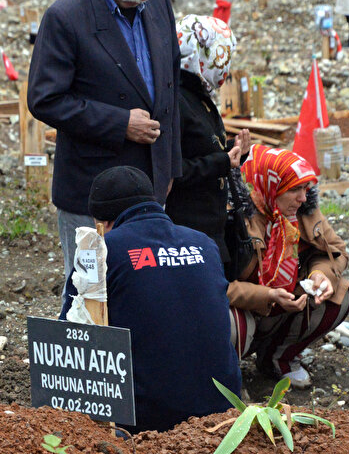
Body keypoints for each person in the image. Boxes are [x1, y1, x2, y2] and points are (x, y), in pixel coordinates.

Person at [28, 0, 182, 304]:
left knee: (145, 290)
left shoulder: (158, 2)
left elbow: (170, 88)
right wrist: (120, 123)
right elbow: (45, 99)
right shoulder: (67, 17)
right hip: (92, 188)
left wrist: (169, 167)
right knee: (89, 293)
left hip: (150, 183)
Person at [82, 167, 241, 434]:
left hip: (146, 423)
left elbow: (73, 330)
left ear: (104, 222)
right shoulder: (204, 243)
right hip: (222, 413)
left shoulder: (102, 248)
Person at [229, 145, 349, 389]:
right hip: (245, 309)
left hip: (282, 304)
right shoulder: (234, 219)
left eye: (305, 188)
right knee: (231, 323)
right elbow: (215, 286)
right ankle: (225, 374)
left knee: (339, 295)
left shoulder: (302, 211)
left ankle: (278, 358)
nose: (303, 197)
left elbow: (337, 251)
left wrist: (320, 274)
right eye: (294, 189)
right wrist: (266, 295)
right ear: (270, 186)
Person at [165, 14, 250, 267]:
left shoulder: (197, 94)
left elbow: (203, 148)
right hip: (188, 233)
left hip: (209, 227)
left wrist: (234, 152)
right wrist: (222, 162)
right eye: (221, 55)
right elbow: (172, 169)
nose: (225, 66)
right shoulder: (176, 100)